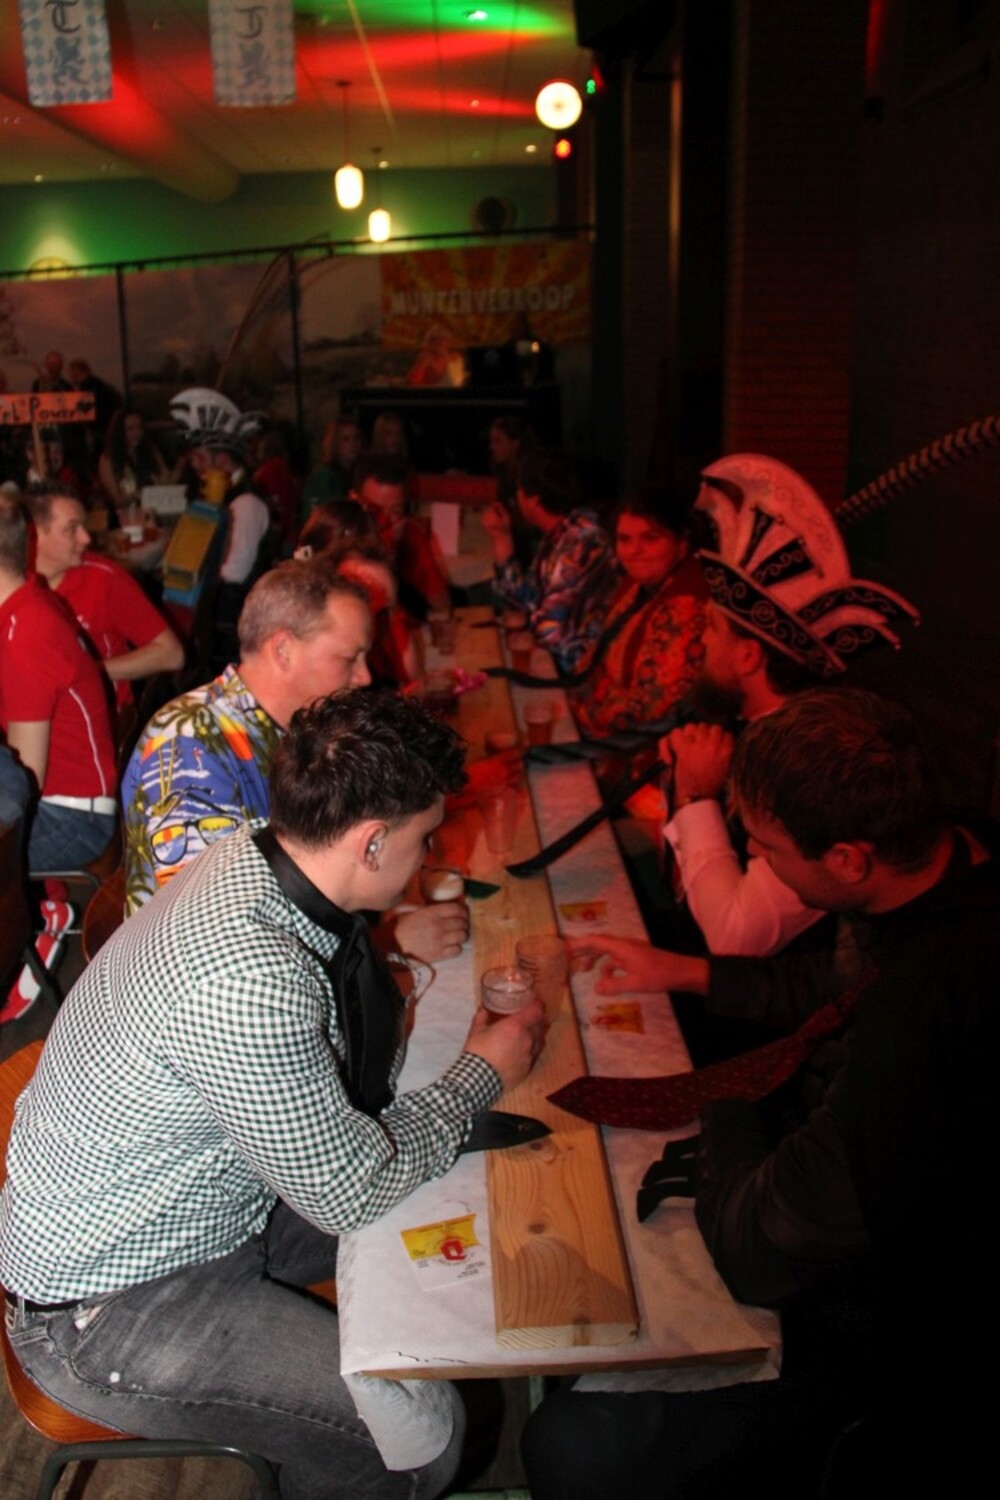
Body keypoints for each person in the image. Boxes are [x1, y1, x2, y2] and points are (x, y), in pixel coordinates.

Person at [0, 689, 548, 1500]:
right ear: (371, 842)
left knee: (463, 1205)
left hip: (205, 1209)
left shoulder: (254, 852)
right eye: (425, 838)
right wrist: (480, 1072)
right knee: (419, 1439)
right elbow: (350, 1189)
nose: (429, 856)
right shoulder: (249, 976)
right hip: (109, 1306)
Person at [523, 687, 996, 1496]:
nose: (760, 864)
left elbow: (759, 1253)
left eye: (768, 849)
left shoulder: (920, 1026)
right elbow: (835, 987)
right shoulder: (947, 857)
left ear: (846, 858)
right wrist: (685, 971)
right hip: (824, 1180)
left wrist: (726, 1109)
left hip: (888, 1326)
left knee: (574, 1435)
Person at [659, 453, 919, 958]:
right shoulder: (744, 725)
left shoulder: (812, 765)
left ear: (748, 656)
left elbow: (736, 936)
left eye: (711, 630)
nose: (699, 643)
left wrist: (694, 796)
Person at [121, 558, 372, 914]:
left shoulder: (295, 730)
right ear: (283, 650)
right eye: (349, 658)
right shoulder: (191, 743)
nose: (364, 677)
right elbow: (209, 917)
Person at [0, 494, 117, 873]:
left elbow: (23, 783)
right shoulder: (26, 601)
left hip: (70, 818)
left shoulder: (25, 634)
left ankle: (41, 903)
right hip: (63, 802)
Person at [27, 482, 183, 719]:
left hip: (99, 718)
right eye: (72, 529)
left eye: (83, 526)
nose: (86, 538)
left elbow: (172, 654)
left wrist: (91, 672)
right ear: (34, 534)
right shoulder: (12, 583)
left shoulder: (103, 579)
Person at [570, 485, 708, 737]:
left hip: (643, 746)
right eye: (624, 539)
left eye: (650, 538)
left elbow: (647, 708)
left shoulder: (688, 602)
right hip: (597, 722)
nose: (634, 551)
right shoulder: (638, 584)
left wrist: (579, 711)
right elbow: (592, 661)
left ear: (682, 542)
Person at [484, 448, 619, 673]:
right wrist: (501, 538)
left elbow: (550, 633)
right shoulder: (562, 531)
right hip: (557, 659)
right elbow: (522, 602)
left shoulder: (580, 542)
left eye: (518, 489)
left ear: (533, 500)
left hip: (578, 670)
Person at [356, 454, 449, 620]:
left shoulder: (410, 536)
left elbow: (442, 610)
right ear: (354, 501)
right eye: (375, 511)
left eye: (396, 511)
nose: (385, 521)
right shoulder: (337, 542)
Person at [97, 408, 173, 511]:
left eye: (139, 427)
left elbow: (165, 480)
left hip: (153, 511)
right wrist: (139, 494)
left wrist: (181, 463)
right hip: (125, 515)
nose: (136, 433)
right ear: (120, 432)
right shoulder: (108, 459)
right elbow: (116, 499)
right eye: (130, 429)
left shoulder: (149, 450)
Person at [300, 416, 363, 523]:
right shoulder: (325, 476)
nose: (353, 444)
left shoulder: (356, 473)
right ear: (334, 443)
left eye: (356, 438)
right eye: (345, 439)